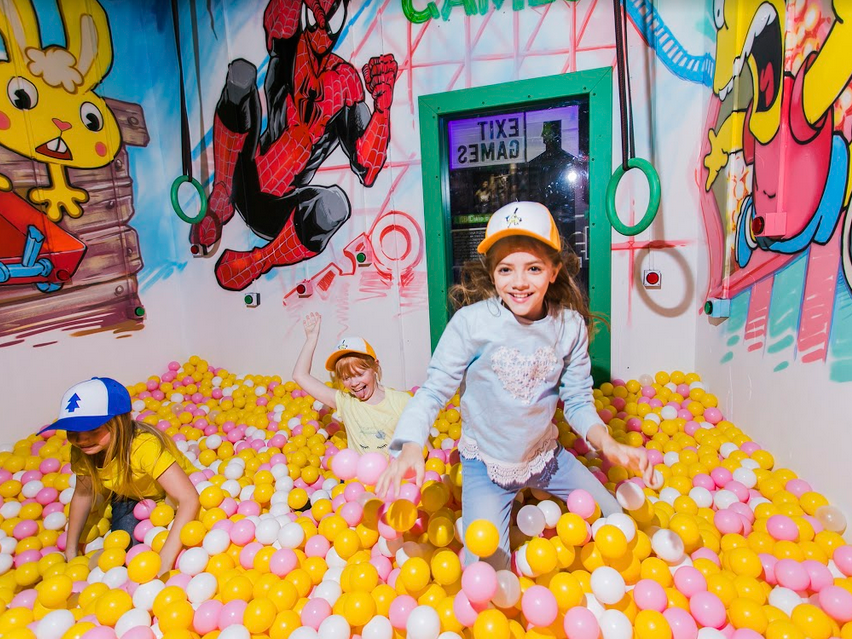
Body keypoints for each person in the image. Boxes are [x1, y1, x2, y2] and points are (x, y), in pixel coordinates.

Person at [376, 201, 660, 568]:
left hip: (546, 459)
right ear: (492, 273)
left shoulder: (568, 326)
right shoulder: (471, 324)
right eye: (506, 269)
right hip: (486, 465)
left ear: (554, 271)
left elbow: (575, 400)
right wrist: (411, 446)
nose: (520, 282)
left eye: (534, 268)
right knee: (484, 571)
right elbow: (433, 391)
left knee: (615, 522)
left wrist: (606, 442)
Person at [42, 377, 199, 574]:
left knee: (186, 541)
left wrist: (165, 560)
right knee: (125, 554)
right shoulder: (82, 451)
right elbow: (83, 494)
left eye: (92, 429)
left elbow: (188, 497)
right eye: (72, 431)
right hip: (132, 496)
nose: (81, 439)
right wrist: (71, 550)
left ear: (120, 423)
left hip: (174, 493)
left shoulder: (143, 447)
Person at [293, 312, 410, 454]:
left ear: (374, 367)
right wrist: (311, 339)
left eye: (359, 374)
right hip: (358, 476)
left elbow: (422, 449)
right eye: (346, 377)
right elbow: (300, 375)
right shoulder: (346, 402)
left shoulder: (401, 401)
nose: (354, 383)